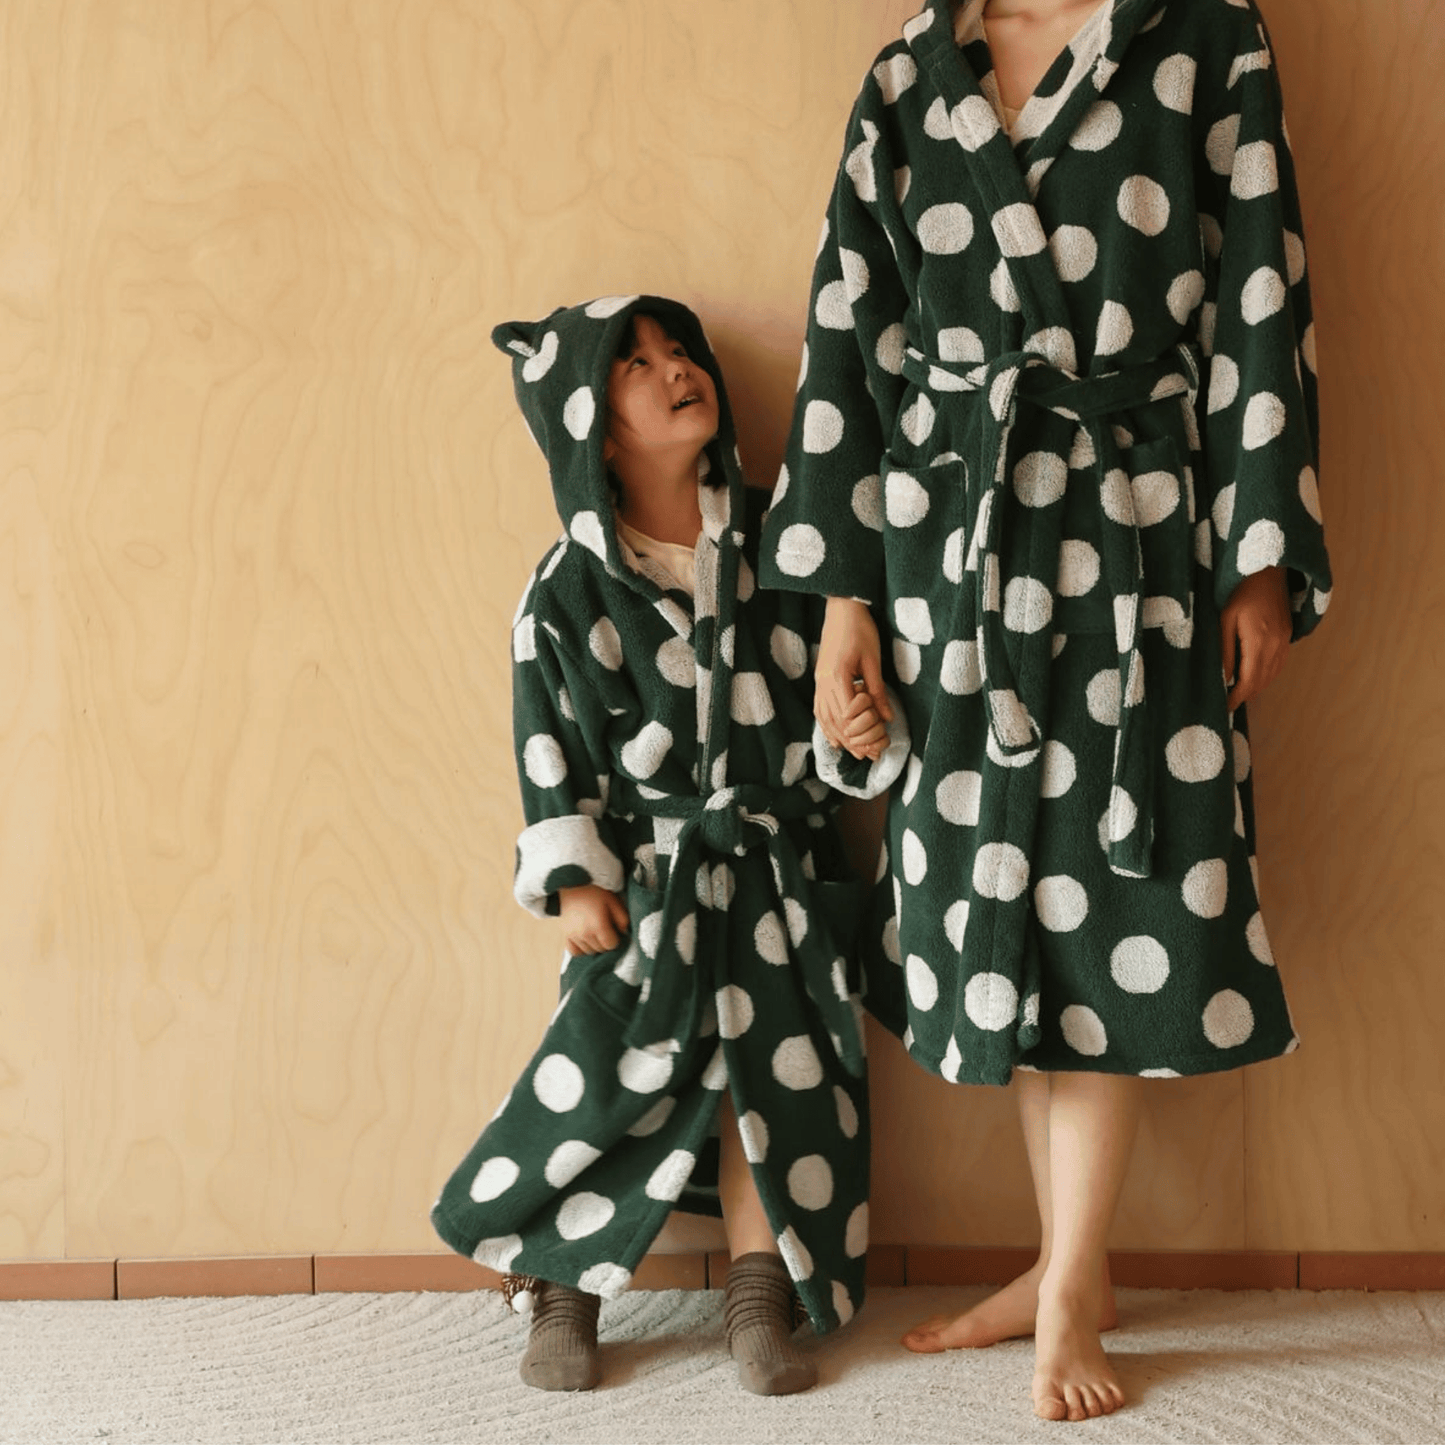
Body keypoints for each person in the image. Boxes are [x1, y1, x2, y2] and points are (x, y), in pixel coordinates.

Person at [759, 0, 1330, 1422]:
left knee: (1118, 895)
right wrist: (845, 607)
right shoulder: (907, 71)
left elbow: (1263, 288)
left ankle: (1073, 1275)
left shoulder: (1204, 37)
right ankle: (1063, 1259)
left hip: (1141, 534)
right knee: (1013, 910)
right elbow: (849, 340)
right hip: (950, 549)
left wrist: (1258, 560)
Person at [431, 296, 907, 1395]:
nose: (675, 369)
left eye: (679, 349)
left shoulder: (779, 546)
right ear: (594, 428)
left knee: (770, 1083)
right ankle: (560, 1284)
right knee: (609, 1079)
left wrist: (848, 741)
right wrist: (571, 883)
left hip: (775, 874)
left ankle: (756, 1289)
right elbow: (544, 740)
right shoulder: (564, 590)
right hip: (644, 877)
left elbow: (825, 701)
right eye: (635, 366)